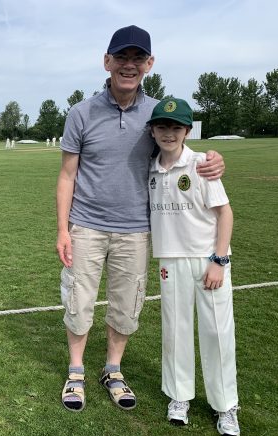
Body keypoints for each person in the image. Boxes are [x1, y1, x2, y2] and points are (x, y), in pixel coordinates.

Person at [56, 25, 225, 413]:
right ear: (107, 61)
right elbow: (67, 175)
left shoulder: (156, 112)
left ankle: (112, 370)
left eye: (137, 59)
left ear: (149, 64)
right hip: (86, 225)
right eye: (121, 58)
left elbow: (178, 148)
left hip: (136, 228)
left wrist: (211, 160)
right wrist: (63, 229)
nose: (128, 66)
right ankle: (76, 371)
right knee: (79, 301)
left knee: (126, 305)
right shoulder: (81, 113)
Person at [147, 98, 240, 436]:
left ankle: (226, 404)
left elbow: (225, 214)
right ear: (153, 130)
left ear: (187, 131)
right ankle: (179, 397)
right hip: (170, 260)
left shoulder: (201, 164)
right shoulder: (150, 168)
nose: (168, 133)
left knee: (217, 332)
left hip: (207, 260)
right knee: (176, 329)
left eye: (176, 127)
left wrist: (219, 260)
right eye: (162, 126)